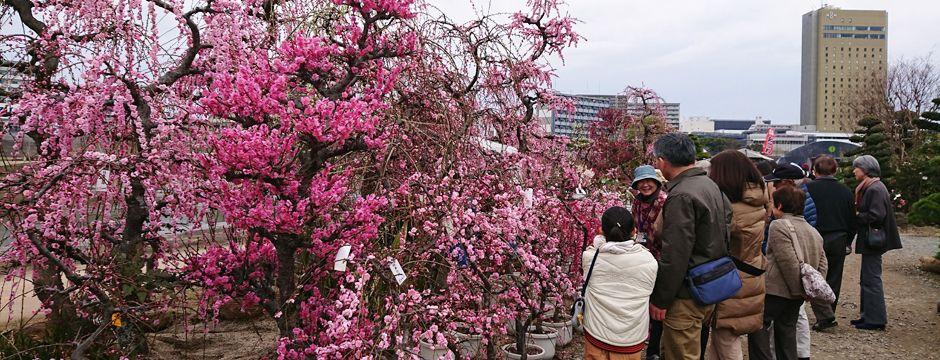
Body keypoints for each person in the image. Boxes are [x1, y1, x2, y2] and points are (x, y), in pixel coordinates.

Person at [649, 133, 732, 360]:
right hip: (710, 282)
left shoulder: (682, 195)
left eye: (656, 160)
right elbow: (727, 226)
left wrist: (660, 299)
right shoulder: (710, 185)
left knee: (681, 352)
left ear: (662, 161)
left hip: (687, 292)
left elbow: (675, 254)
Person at [748, 186, 828, 360]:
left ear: (781, 206)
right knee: (787, 332)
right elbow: (823, 264)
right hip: (798, 295)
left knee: (758, 325)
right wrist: (807, 292)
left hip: (777, 290)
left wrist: (795, 288)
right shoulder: (813, 231)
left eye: (773, 204)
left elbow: (788, 262)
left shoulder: (779, 226)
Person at [704, 150, 769, 360]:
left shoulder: (731, 210)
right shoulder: (755, 202)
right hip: (750, 276)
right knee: (721, 338)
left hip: (731, 280)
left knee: (726, 336)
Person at [582, 207, 659, 360]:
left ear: (600, 231)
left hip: (596, 333)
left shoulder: (590, 257)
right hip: (631, 339)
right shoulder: (649, 261)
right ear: (634, 231)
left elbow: (597, 249)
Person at [805, 155, 857, 331]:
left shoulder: (808, 188)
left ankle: (823, 316)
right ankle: (829, 313)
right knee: (834, 277)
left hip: (814, 236)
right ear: (835, 170)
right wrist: (848, 241)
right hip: (838, 237)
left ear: (815, 170)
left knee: (812, 276)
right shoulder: (845, 190)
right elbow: (852, 220)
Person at [851, 155, 902, 330]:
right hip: (872, 240)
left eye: (856, 167)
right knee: (867, 278)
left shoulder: (874, 189)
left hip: (873, 240)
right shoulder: (873, 186)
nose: (854, 171)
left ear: (865, 169)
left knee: (871, 279)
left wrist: (858, 216)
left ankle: (875, 319)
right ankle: (868, 316)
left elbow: (876, 215)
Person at [630, 165, 668, 360]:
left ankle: (654, 349)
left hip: (660, 257)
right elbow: (636, 227)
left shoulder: (664, 201)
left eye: (649, 181)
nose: (645, 185)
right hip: (642, 255)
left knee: (657, 302)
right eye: (641, 182)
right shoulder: (637, 202)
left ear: (656, 182)